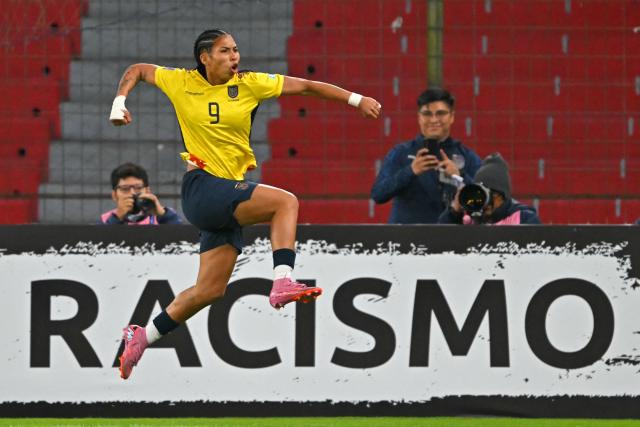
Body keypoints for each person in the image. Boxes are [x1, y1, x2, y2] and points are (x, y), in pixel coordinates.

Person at [109, 28, 381, 379]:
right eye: (225, 51)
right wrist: (120, 102)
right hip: (202, 187)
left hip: (223, 196)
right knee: (285, 202)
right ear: (205, 57)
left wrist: (356, 100)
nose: (235, 56)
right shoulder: (181, 82)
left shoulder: (251, 83)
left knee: (209, 290)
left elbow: (309, 86)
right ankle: (283, 279)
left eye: (236, 49)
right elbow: (138, 70)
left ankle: (142, 336)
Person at [371, 87, 482, 224]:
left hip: (451, 240)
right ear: (419, 117)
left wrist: (460, 176)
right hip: (406, 240)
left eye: (441, 113)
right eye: (427, 113)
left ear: (452, 116)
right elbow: (378, 194)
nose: (434, 120)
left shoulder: (467, 156)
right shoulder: (400, 153)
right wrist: (410, 171)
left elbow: (484, 202)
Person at [438, 153, 541, 225]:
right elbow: (438, 241)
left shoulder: (523, 218)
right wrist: (454, 212)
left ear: (500, 196)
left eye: (486, 194)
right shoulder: (470, 219)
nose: (481, 201)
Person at [100, 162, 182, 225]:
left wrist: (163, 214)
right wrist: (117, 218)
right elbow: (98, 243)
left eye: (138, 188)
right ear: (114, 195)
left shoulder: (163, 215)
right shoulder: (105, 220)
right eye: (125, 189)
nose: (132, 193)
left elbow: (181, 238)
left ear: (147, 191)